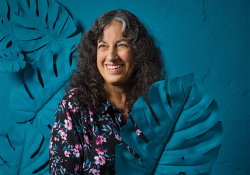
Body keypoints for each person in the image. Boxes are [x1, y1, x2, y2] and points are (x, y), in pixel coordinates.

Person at [49, 9, 166, 175]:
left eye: (121, 45)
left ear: (138, 52)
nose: (111, 56)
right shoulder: (75, 105)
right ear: (93, 53)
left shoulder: (158, 106)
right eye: (103, 46)